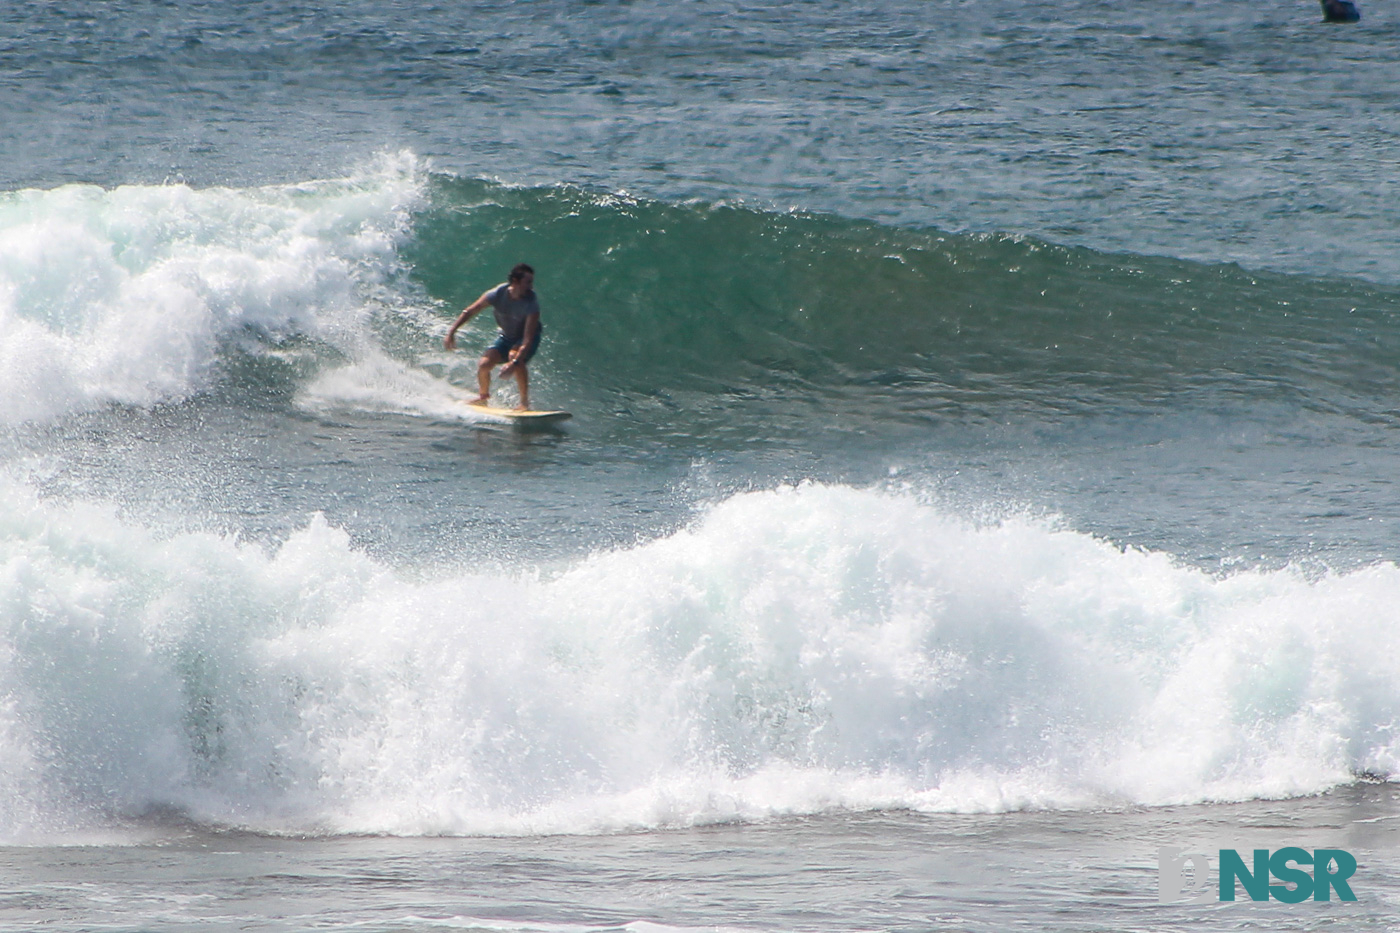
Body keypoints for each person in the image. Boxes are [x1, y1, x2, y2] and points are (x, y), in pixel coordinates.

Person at [444, 263, 542, 410]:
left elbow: (527, 340)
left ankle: (524, 403)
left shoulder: (531, 303)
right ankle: (483, 398)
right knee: (484, 365)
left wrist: (513, 364)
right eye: (528, 282)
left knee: (515, 356)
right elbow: (470, 311)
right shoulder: (498, 294)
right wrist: (451, 332)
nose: (531, 286)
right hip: (507, 336)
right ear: (515, 281)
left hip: (527, 338)